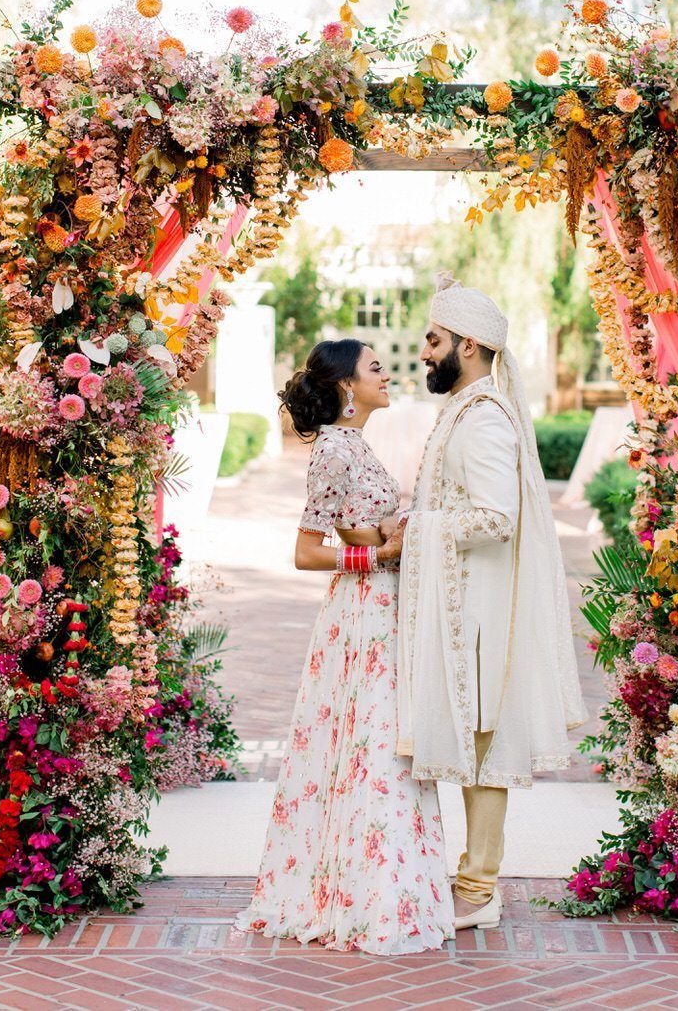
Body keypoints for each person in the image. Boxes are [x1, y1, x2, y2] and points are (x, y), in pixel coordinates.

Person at [236, 338, 453, 954]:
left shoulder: (356, 444)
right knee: (376, 745)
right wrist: (376, 553)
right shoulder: (333, 448)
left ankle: (381, 886)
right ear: (345, 387)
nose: (388, 375)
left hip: (382, 609)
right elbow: (306, 551)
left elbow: (371, 517)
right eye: (375, 368)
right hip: (361, 613)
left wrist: (400, 526)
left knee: (384, 744)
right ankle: (363, 896)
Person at [393, 275, 588, 931]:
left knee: (483, 741)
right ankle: (472, 876)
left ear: (467, 344)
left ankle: (478, 884)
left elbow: (497, 517)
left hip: (478, 608)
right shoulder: (466, 408)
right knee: (473, 741)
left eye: (433, 338)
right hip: (463, 599)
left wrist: (417, 529)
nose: (423, 350)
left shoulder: (484, 419)